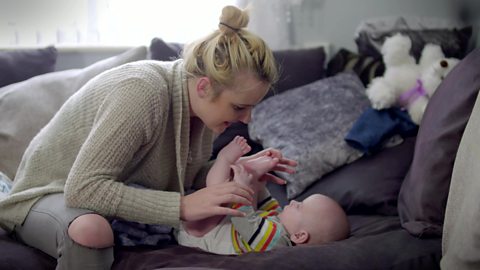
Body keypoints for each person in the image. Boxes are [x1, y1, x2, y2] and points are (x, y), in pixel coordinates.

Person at [0, 5, 297, 270]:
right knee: (92, 229)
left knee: (97, 223)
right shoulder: (142, 92)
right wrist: (182, 207)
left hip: (90, 195)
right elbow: (84, 189)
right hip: (47, 194)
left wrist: (241, 168)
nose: (246, 120)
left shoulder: (202, 112)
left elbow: (184, 177)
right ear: (205, 86)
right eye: (239, 107)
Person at [176, 138, 350, 254]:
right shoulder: (280, 222)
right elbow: (265, 203)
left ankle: (224, 159)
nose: (295, 201)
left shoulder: (276, 243)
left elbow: (245, 220)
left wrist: (243, 184)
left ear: (299, 236)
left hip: (200, 236)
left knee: (227, 195)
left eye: (300, 206)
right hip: (222, 225)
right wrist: (258, 183)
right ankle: (245, 172)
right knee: (243, 190)